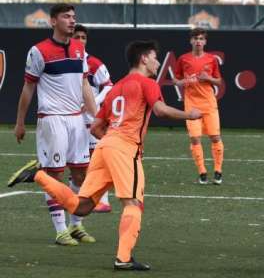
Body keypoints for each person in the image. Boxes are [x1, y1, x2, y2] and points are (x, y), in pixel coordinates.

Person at [8, 40, 202, 271]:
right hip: (124, 148)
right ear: (143, 59)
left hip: (105, 146)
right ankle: (123, 258)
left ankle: (40, 175)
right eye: (154, 57)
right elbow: (160, 110)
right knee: (133, 203)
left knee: (82, 206)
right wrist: (189, 114)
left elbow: (96, 128)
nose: (158, 62)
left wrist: (113, 139)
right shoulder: (148, 83)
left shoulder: (117, 87)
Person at [13, 3, 98, 246]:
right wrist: (20, 122)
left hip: (77, 120)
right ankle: (60, 230)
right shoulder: (38, 51)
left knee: (82, 174)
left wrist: (97, 117)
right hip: (52, 120)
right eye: (66, 17)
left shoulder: (80, 49)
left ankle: (76, 226)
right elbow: (28, 87)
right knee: (55, 175)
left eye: (74, 17)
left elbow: (85, 87)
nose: (72, 21)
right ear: (53, 21)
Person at [173, 28, 224, 185]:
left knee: (215, 137)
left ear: (205, 42)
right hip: (191, 104)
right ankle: (202, 171)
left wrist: (208, 77)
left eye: (201, 38)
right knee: (195, 138)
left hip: (208, 103)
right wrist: (182, 82)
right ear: (191, 41)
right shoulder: (183, 59)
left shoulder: (211, 59)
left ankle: (218, 170)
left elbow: (219, 81)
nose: (198, 41)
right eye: (195, 38)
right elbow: (176, 79)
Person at [73, 24, 114, 213]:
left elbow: (108, 86)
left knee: (94, 159)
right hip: (71, 119)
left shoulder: (94, 63)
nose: (80, 40)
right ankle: (75, 196)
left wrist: (93, 104)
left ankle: (102, 200)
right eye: (77, 37)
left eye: (83, 37)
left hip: (90, 119)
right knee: (74, 161)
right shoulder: (65, 60)